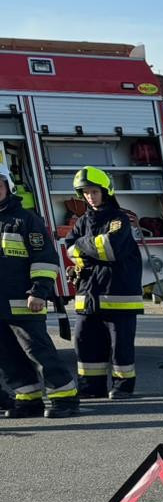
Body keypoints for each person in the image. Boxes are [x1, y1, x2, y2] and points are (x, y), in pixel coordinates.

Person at [0, 163, 77, 418]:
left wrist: (39, 291)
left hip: (23, 300)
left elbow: (44, 259)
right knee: (8, 355)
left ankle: (64, 397)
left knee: (37, 350)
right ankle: (27, 398)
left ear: (7, 188)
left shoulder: (26, 220)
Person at [64, 166, 143, 398]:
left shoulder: (119, 219)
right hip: (89, 295)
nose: (90, 196)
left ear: (105, 192)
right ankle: (91, 386)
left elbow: (110, 248)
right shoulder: (82, 220)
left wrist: (81, 245)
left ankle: (122, 387)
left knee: (120, 347)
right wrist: (84, 247)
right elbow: (69, 248)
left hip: (117, 295)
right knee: (85, 341)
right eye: (86, 192)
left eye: (94, 192)